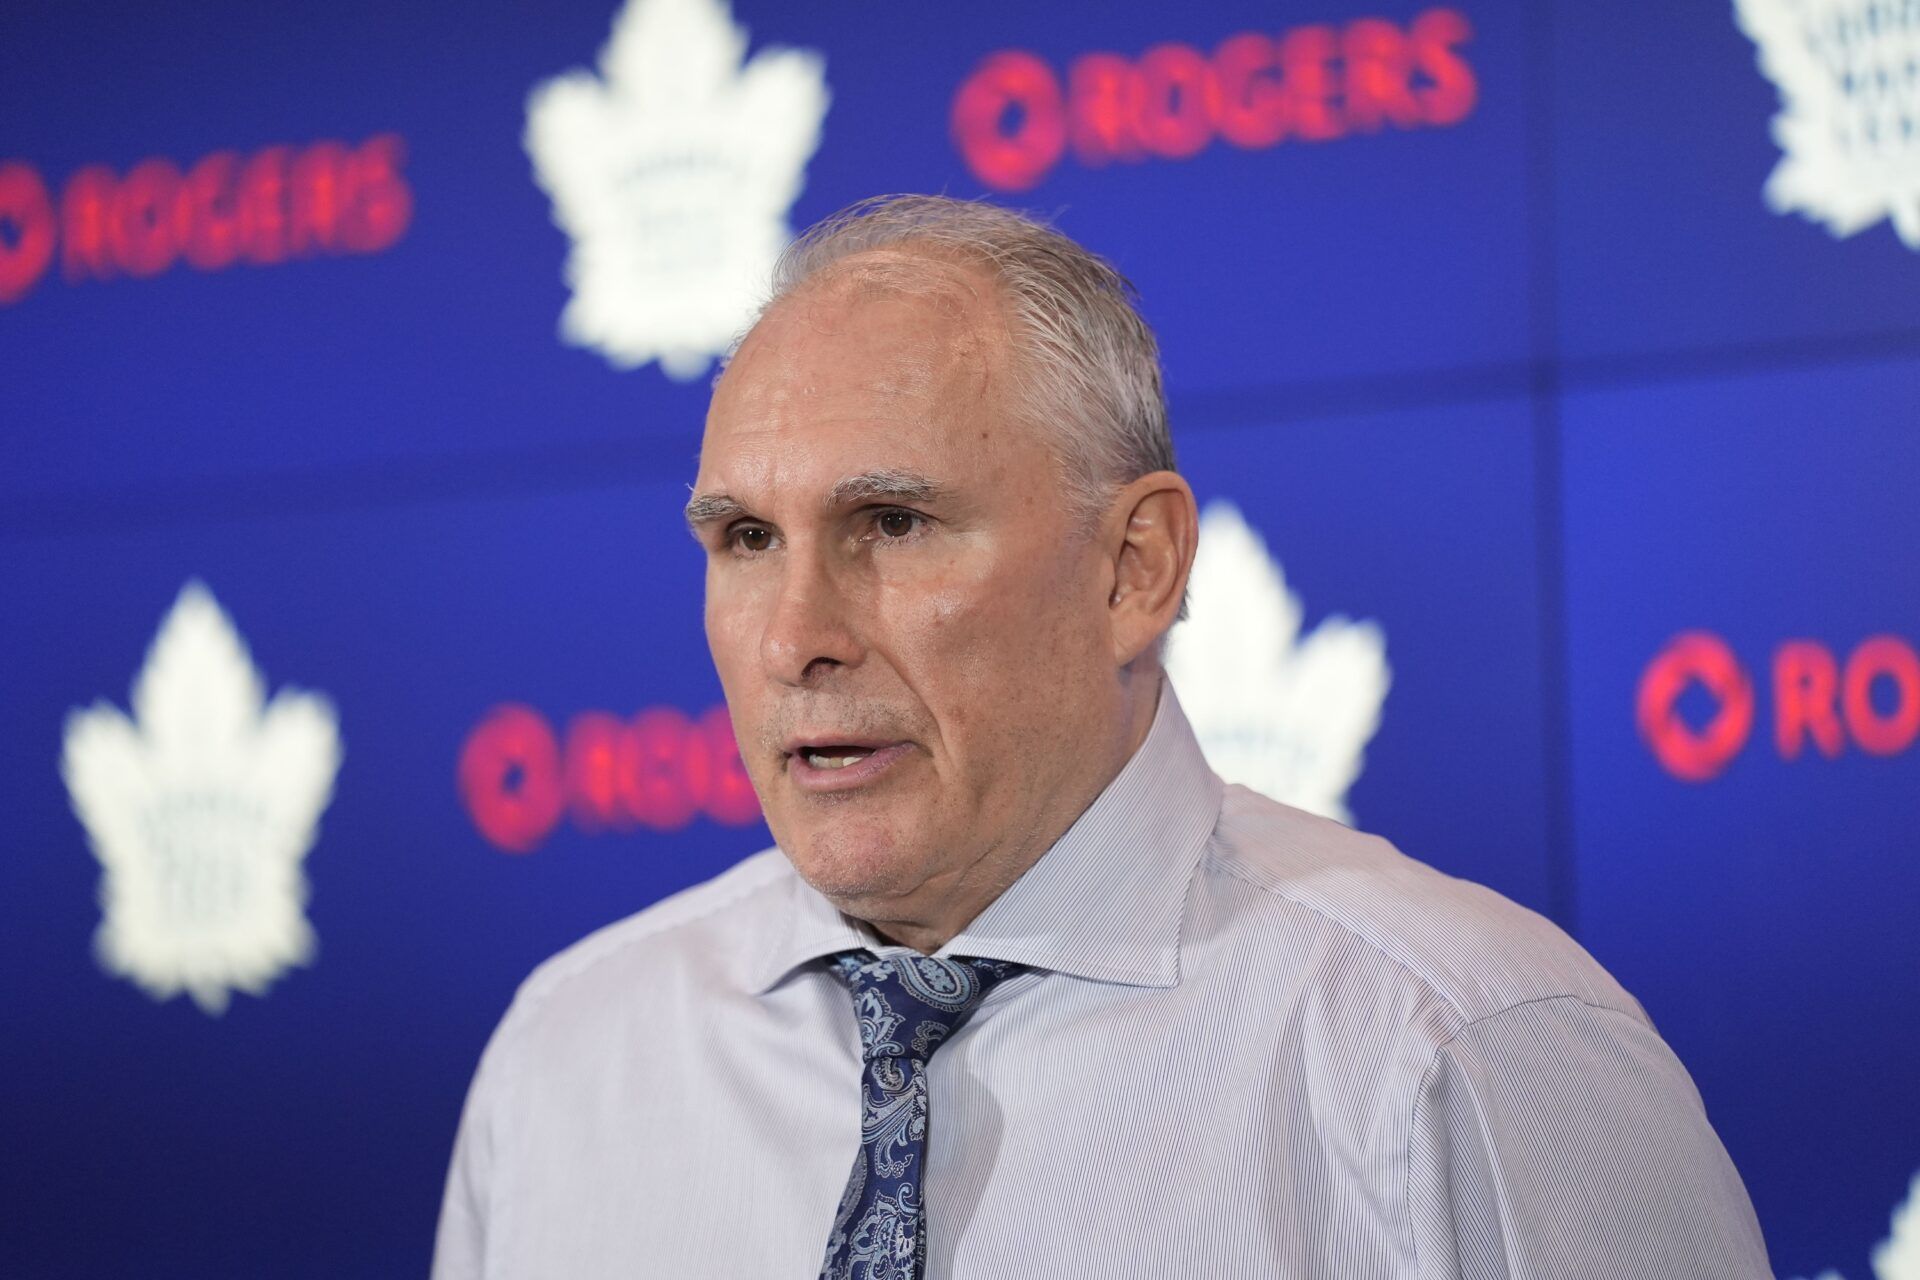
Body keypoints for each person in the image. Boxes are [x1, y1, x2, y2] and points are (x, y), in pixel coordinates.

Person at [431, 194, 1771, 1278]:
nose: (794, 639)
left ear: (1136, 568)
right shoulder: (571, 1060)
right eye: (744, 539)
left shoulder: (1458, 1052)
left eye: (891, 524)